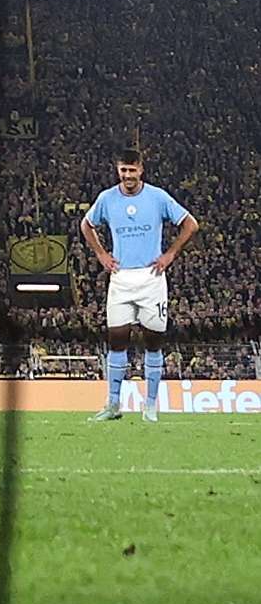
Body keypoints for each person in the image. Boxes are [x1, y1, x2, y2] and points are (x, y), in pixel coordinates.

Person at [82, 148, 198, 423]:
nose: (127, 175)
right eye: (123, 170)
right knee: (117, 342)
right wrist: (101, 254)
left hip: (151, 279)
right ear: (117, 170)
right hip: (121, 279)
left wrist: (170, 254)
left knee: (153, 343)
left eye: (132, 170)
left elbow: (190, 225)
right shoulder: (107, 199)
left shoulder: (158, 197)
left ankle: (150, 406)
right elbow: (86, 225)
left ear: (141, 170)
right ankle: (113, 404)